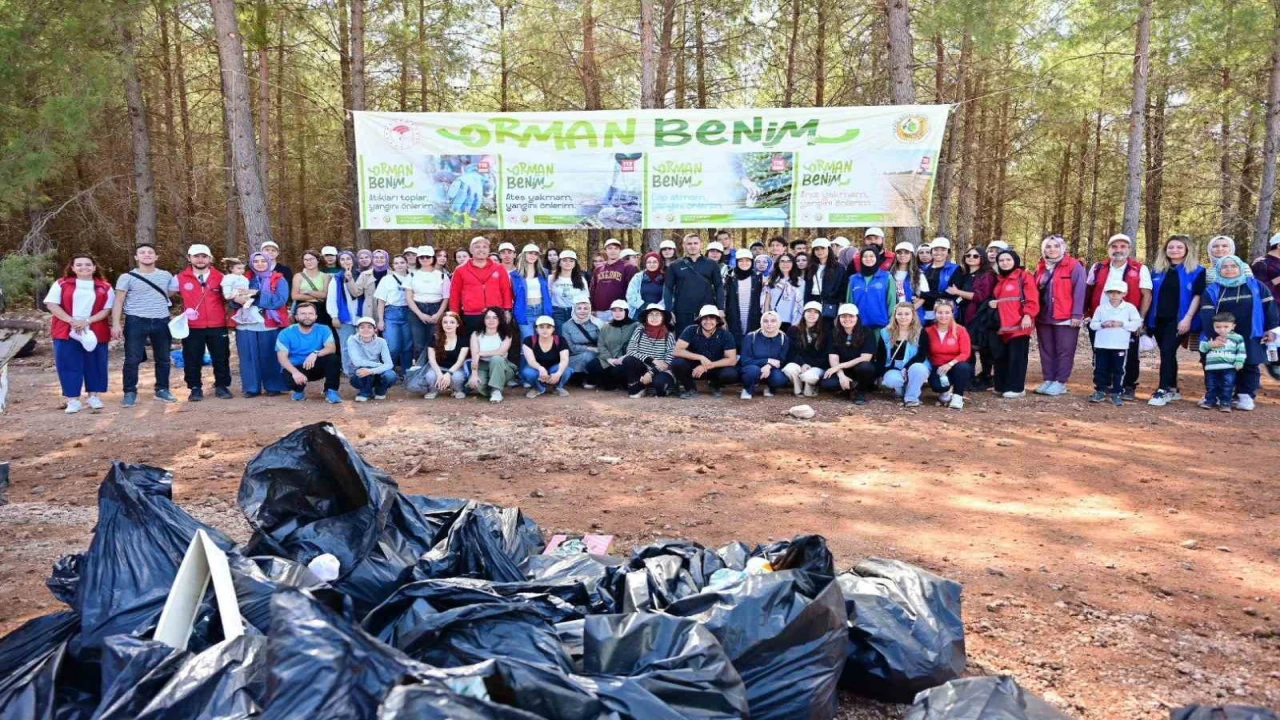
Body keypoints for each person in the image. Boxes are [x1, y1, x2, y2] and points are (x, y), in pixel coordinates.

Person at [1197, 255, 1280, 411]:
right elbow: (1207, 315)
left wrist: (1273, 329)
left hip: (1251, 331)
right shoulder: (1212, 289)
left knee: (1250, 364)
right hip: (1222, 334)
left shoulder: (1257, 286)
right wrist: (1213, 336)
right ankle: (1216, 395)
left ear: (1241, 267)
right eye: (1225, 267)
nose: (1229, 269)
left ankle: (1245, 396)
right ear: (1218, 270)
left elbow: (1270, 308)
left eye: (1233, 266)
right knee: (1221, 365)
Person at [1084, 233, 1151, 400]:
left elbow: (1146, 294)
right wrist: (1087, 314)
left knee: (1128, 355)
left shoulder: (1139, 268)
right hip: (1101, 320)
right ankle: (1103, 386)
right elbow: (1088, 290)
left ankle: (1127, 386)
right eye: (1114, 246)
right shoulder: (1098, 267)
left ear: (1129, 249)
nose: (1118, 250)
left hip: (1126, 321)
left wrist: (1140, 320)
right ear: (1109, 249)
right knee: (1101, 353)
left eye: (1122, 246)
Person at [112, 243, 178, 407]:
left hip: (161, 320)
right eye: (142, 252)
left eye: (150, 252)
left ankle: (162, 389)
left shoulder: (166, 275)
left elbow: (169, 293)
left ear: (156, 257)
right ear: (136, 257)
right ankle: (129, 392)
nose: (146, 255)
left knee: (163, 358)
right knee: (132, 359)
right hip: (136, 321)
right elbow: (119, 300)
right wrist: (116, 324)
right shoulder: (127, 277)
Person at [45, 255, 112, 413]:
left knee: (95, 363)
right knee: (68, 364)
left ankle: (93, 396)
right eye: (79, 264)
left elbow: (107, 309)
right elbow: (52, 304)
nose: (84, 267)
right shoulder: (61, 283)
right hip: (66, 330)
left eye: (88, 264)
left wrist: (87, 321)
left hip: (95, 329)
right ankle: (72, 399)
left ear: (94, 268)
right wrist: (72, 321)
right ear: (73, 268)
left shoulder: (105, 287)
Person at [1147, 235, 1204, 406]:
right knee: (1168, 353)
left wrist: (1188, 318)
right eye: (1171, 247)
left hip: (1179, 319)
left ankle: (1162, 390)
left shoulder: (1197, 271)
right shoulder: (1157, 271)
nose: (1174, 250)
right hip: (1158, 319)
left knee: (1167, 351)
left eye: (1179, 247)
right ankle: (1173, 389)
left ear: (1187, 249)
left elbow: (1197, 296)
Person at [171, 244, 232, 401]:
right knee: (192, 357)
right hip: (192, 326)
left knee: (221, 356)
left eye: (204, 256)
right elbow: (166, 295)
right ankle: (195, 387)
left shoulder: (221, 278)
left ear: (210, 258)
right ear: (189, 258)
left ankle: (221, 385)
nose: (200, 259)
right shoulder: (179, 278)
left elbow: (230, 297)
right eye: (196, 256)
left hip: (217, 324)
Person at [1031, 235, 1086, 396]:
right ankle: (1048, 378)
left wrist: (1077, 314)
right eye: (1048, 246)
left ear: (1063, 248)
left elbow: (1080, 290)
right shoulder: (1041, 267)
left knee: (1064, 349)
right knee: (1046, 349)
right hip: (1044, 316)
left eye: (1056, 246)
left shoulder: (1074, 266)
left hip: (1066, 316)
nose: (1052, 249)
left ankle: (1060, 381)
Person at [231, 253, 290, 397]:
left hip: (269, 322)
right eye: (256, 261)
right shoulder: (243, 278)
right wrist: (236, 300)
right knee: (248, 356)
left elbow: (280, 300)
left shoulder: (279, 279)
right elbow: (232, 298)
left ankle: (273, 386)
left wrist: (257, 293)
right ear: (251, 263)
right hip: (245, 323)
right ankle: (251, 387)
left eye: (263, 261)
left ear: (269, 262)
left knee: (270, 355)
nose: (260, 264)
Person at [1087, 275, 1144, 406]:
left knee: (1118, 369)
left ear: (1124, 293)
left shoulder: (1129, 308)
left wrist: (1121, 323)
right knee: (1100, 368)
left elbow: (1136, 323)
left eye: (1118, 292)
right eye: (1111, 292)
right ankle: (1100, 390)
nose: (1114, 295)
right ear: (1107, 293)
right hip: (1102, 344)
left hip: (1119, 345)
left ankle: (1117, 392)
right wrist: (1103, 324)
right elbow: (1093, 324)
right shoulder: (1101, 308)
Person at [990, 249, 1040, 399]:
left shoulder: (1024, 277)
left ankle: (1017, 387)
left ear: (1015, 261)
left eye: (1008, 260)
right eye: (1001, 260)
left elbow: (1032, 298)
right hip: (1003, 325)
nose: (1005, 263)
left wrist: (1028, 315)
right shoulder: (999, 279)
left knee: (1017, 357)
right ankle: (1001, 385)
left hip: (1019, 324)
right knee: (1002, 356)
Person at [275, 302, 341, 403]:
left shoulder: (324, 329)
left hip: (315, 365)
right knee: (290, 378)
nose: (307, 316)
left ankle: (331, 390)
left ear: (316, 316)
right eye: (303, 314)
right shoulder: (286, 333)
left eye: (310, 313)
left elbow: (331, 348)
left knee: (333, 358)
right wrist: (295, 373)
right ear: (296, 317)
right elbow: (282, 358)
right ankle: (298, 391)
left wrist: (315, 353)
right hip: (296, 366)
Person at [449, 236, 514, 337]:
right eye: (477, 247)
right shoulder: (460, 270)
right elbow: (455, 294)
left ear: (488, 250)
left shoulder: (499, 268)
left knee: (496, 343)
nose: (481, 249)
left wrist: (507, 310)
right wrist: (454, 314)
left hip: (495, 314)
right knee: (472, 345)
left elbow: (506, 290)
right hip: (471, 315)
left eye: (484, 247)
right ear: (471, 250)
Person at [672, 305, 739, 398]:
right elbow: (676, 351)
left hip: (716, 368)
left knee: (731, 374)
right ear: (700, 320)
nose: (708, 322)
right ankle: (690, 388)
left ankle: (715, 385)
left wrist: (707, 366)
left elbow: (732, 360)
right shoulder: (690, 330)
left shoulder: (726, 335)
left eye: (712, 318)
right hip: (695, 369)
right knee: (677, 363)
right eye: (705, 318)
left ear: (717, 320)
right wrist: (700, 357)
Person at [956, 245, 997, 390]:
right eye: (968, 255)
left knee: (982, 347)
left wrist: (957, 292)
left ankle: (986, 376)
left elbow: (981, 296)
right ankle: (969, 377)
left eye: (975, 256)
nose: (970, 258)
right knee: (967, 348)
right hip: (964, 316)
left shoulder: (987, 275)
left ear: (982, 258)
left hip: (979, 316)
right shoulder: (965, 274)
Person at [664, 234, 725, 332]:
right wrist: (668, 310)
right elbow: (668, 289)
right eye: (689, 243)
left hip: (706, 312)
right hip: (682, 312)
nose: (692, 246)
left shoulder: (712, 264)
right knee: (683, 342)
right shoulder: (675, 265)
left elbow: (719, 287)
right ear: (684, 245)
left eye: (695, 243)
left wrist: (720, 308)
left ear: (701, 245)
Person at [821, 303, 877, 404]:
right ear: (839, 318)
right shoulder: (833, 333)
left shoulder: (867, 332)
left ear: (857, 318)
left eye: (851, 316)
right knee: (827, 383)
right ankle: (850, 388)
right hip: (842, 370)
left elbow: (865, 358)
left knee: (865, 367)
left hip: (859, 369)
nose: (847, 319)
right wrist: (841, 375)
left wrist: (839, 366)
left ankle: (860, 392)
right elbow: (833, 358)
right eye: (843, 316)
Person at [879, 302, 929, 407]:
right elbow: (881, 356)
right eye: (899, 314)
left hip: (914, 365)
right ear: (895, 315)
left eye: (907, 314)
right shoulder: (885, 332)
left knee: (918, 369)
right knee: (891, 380)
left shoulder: (920, 332)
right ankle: (903, 392)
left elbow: (921, 355)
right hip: (894, 367)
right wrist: (883, 372)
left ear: (913, 316)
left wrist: (906, 368)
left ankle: (911, 398)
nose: (903, 317)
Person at [925, 299, 973, 409]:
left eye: (947, 312)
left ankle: (957, 397)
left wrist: (950, 364)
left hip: (955, 365)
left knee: (963, 367)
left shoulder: (960, 330)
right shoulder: (928, 331)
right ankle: (946, 390)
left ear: (952, 313)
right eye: (940, 312)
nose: (943, 316)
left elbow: (965, 353)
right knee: (938, 387)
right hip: (938, 366)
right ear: (935, 313)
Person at [623, 304, 677, 398]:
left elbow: (669, 361)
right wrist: (652, 360)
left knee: (659, 384)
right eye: (651, 314)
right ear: (646, 317)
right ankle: (639, 388)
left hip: (660, 370)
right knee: (628, 360)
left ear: (663, 318)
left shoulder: (669, 335)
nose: (654, 317)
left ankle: (651, 386)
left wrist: (651, 373)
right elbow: (630, 351)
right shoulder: (639, 330)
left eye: (658, 314)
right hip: (642, 367)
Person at [413, 311, 470, 399]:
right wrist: (439, 373)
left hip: (455, 369)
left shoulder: (463, 340)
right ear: (442, 324)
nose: (448, 325)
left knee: (457, 377)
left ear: (457, 324)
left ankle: (457, 390)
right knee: (430, 375)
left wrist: (448, 374)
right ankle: (433, 390)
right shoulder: (434, 338)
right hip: (438, 368)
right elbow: (431, 359)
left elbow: (460, 361)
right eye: (445, 322)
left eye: (452, 322)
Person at [1198, 312, 1248, 411]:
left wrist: (1239, 362)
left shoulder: (1237, 338)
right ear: (1213, 326)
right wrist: (1211, 345)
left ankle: (1225, 403)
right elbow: (1202, 348)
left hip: (1228, 367)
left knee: (1227, 385)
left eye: (1226, 327)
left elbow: (1241, 351)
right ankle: (1210, 401)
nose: (1222, 329)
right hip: (1211, 368)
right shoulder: (1210, 336)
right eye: (1218, 327)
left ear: (1233, 326)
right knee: (1211, 385)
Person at [406, 245, 450, 358]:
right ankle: (419, 372)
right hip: (417, 310)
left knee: (435, 341)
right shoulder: (411, 275)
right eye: (422, 257)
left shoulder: (442, 275)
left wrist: (438, 314)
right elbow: (409, 298)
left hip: (437, 308)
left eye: (428, 256)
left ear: (433, 258)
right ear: (418, 259)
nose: (425, 259)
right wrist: (420, 314)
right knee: (418, 344)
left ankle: (433, 370)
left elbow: (446, 297)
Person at [326, 250, 364, 373]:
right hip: (344, 316)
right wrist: (334, 316)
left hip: (360, 315)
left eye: (348, 259)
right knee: (347, 345)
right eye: (342, 259)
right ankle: (349, 370)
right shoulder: (336, 278)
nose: (346, 261)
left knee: (362, 344)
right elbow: (331, 298)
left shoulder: (361, 275)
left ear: (353, 260)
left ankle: (362, 368)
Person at [738, 310, 791, 399]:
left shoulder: (784, 338)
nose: (769, 324)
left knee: (779, 379)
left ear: (778, 323)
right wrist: (767, 360)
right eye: (765, 321)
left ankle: (770, 387)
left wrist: (768, 365)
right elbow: (745, 360)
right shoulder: (751, 337)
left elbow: (782, 360)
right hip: (752, 367)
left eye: (773, 321)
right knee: (752, 371)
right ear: (761, 323)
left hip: (772, 369)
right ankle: (748, 389)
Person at [346, 316, 397, 401]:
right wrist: (378, 365)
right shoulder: (352, 340)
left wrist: (371, 371)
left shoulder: (381, 342)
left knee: (390, 375)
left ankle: (380, 390)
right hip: (359, 373)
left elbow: (389, 364)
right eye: (362, 327)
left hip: (376, 372)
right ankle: (365, 392)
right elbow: (357, 362)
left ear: (375, 330)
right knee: (362, 369)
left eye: (369, 327)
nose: (366, 330)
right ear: (357, 330)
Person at [846, 247, 894, 335]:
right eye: (865, 256)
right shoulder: (853, 279)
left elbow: (892, 301)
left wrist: (892, 321)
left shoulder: (887, 277)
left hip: (882, 325)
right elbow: (850, 302)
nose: (868, 259)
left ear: (877, 258)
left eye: (871, 256)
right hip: (859, 326)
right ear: (861, 259)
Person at [782, 301, 827, 397]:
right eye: (809, 311)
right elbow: (790, 352)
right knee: (789, 369)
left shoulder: (825, 331)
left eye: (816, 312)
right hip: (799, 363)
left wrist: (809, 364)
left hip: (816, 365)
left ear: (820, 315)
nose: (812, 314)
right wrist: (802, 364)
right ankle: (797, 388)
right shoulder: (793, 330)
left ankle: (809, 387)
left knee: (809, 376)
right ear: (803, 313)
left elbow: (825, 355)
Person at [521, 316, 573, 397]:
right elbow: (531, 361)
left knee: (566, 370)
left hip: (554, 368)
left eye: (548, 327)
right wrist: (540, 368)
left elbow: (564, 359)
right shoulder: (528, 340)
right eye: (541, 327)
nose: (545, 330)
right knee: (528, 372)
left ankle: (558, 388)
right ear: (536, 329)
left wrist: (559, 373)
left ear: (553, 329)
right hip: (537, 369)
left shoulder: (560, 340)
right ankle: (538, 388)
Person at [589, 238, 636, 321]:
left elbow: (632, 291)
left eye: (616, 248)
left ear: (620, 251)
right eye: (610, 248)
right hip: (600, 312)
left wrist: (627, 309)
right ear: (605, 250)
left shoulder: (628, 267)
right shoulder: (598, 269)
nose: (613, 251)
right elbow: (593, 290)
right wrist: (592, 308)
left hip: (619, 311)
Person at [560, 295, 602, 387]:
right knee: (588, 355)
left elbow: (603, 341)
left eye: (585, 308)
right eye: (579, 308)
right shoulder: (566, 326)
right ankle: (581, 377)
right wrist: (589, 348)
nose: (582, 311)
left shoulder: (597, 323)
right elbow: (570, 347)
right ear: (574, 309)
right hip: (575, 355)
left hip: (598, 351)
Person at [512, 244, 552, 339]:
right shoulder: (514, 275)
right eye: (530, 253)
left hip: (541, 309)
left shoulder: (544, 273)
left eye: (535, 254)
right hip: (525, 311)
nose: (532, 256)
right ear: (524, 254)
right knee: (528, 341)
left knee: (542, 340)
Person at [804, 238, 845, 330]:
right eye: (816, 249)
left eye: (822, 248)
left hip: (830, 302)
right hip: (812, 300)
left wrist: (837, 302)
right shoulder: (810, 267)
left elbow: (842, 288)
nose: (820, 251)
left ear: (828, 249)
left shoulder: (838, 267)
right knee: (812, 328)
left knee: (828, 328)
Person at [596, 299, 637, 390]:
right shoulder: (606, 327)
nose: (617, 313)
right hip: (609, 358)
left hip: (626, 358)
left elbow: (638, 344)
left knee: (618, 371)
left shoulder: (636, 325)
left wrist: (624, 357)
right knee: (593, 366)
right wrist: (608, 359)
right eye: (614, 310)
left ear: (626, 311)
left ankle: (622, 383)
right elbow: (601, 345)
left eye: (621, 310)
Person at [725, 251, 763, 345]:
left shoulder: (758, 277)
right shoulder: (730, 276)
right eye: (741, 260)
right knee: (735, 340)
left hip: (753, 314)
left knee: (750, 340)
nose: (744, 263)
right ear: (736, 262)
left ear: (752, 262)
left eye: (747, 260)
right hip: (734, 313)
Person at [920, 237, 960, 324]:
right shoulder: (924, 269)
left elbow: (949, 293)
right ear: (931, 251)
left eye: (943, 250)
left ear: (948, 252)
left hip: (944, 313)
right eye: (936, 249)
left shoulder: (955, 269)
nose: (939, 252)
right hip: (924, 311)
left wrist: (923, 295)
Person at [762, 253, 804, 330]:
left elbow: (801, 304)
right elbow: (766, 304)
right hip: (774, 321)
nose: (785, 264)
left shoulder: (800, 282)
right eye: (782, 261)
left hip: (793, 322)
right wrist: (767, 320)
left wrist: (798, 323)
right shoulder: (771, 281)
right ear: (778, 264)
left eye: (789, 261)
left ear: (793, 264)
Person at [549, 249, 589, 329]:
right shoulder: (551, 278)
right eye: (564, 260)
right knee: (561, 337)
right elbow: (548, 296)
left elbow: (585, 298)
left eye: (571, 261)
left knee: (574, 337)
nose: (568, 263)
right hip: (557, 312)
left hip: (575, 312)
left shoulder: (581, 279)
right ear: (559, 263)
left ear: (575, 264)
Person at [888, 241, 928, 314]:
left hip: (914, 315)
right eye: (899, 252)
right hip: (894, 315)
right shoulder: (889, 274)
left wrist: (910, 311)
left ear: (911, 255)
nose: (902, 255)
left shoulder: (919, 274)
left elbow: (924, 297)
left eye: (906, 252)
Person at [627, 252, 666, 320]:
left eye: (654, 262)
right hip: (640, 312)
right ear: (645, 264)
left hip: (660, 312)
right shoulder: (638, 277)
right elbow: (630, 295)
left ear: (659, 263)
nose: (652, 264)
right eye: (649, 262)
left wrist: (657, 308)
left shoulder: (665, 278)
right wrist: (643, 306)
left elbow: (669, 296)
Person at [1251, 233, 1280, 302]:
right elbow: (1258, 289)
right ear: (1279, 245)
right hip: (1272, 308)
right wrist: (1277, 280)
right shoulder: (1261, 263)